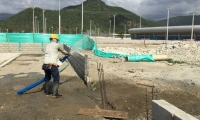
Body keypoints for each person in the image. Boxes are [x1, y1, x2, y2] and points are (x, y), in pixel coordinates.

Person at [42, 34, 71, 98]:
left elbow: (48, 52)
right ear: (56, 40)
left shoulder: (46, 45)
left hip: (45, 65)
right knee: (56, 78)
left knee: (47, 78)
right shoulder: (58, 45)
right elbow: (63, 51)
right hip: (52, 65)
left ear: (50, 39)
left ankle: (47, 92)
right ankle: (54, 94)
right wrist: (68, 53)